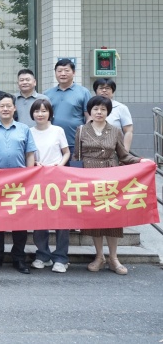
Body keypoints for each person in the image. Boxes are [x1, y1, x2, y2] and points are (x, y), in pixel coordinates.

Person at [76, 96, 145, 276]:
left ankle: (114, 258)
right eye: (95, 109)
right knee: (95, 218)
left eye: (103, 109)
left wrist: (141, 161)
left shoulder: (115, 131)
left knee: (113, 217)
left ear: (108, 112)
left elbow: (124, 155)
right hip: (90, 179)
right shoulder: (81, 130)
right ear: (89, 111)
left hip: (111, 178)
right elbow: (77, 158)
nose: (99, 112)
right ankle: (99, 256)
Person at [0, 93, 36, 274]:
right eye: (2, 106)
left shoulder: (24, 129)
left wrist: (29, 175)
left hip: (19, 182)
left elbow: (30, 153)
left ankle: (18, 258)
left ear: (14, 108)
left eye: (8, 106)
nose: (5, 109)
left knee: (20, 221)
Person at [28, 99, 71, 273]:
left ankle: (61, 258)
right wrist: (34, 164)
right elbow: (28, 154)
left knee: (62, 219)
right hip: (38, 179)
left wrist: (59, 166)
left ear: (50, 113)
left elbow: (66, 152)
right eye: (37, 111)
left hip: (57, 179)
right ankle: (43, 255)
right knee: (40, 219)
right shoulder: (29, 131)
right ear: (32, 114)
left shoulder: (58, 130)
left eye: (44, 111)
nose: (40, 114)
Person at [44, 59, 91, 154]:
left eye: (66, 70)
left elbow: (89, 117)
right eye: (59, 71)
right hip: (53, 142)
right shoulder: (47, 94)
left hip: (75, 142)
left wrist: (86, 136)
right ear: (55, 73)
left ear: (74, 73)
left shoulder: (83, 92)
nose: (63, 74)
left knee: (75, 164)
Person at [93, 78, 134, 151]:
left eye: (107, 88)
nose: (104, 90)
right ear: (96, 91)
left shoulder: (121, 108)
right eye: (101, 88)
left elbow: (128, 131)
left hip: (115, 150)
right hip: (93, 150)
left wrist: (124, 151)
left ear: (113, 92)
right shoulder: (90, 107)